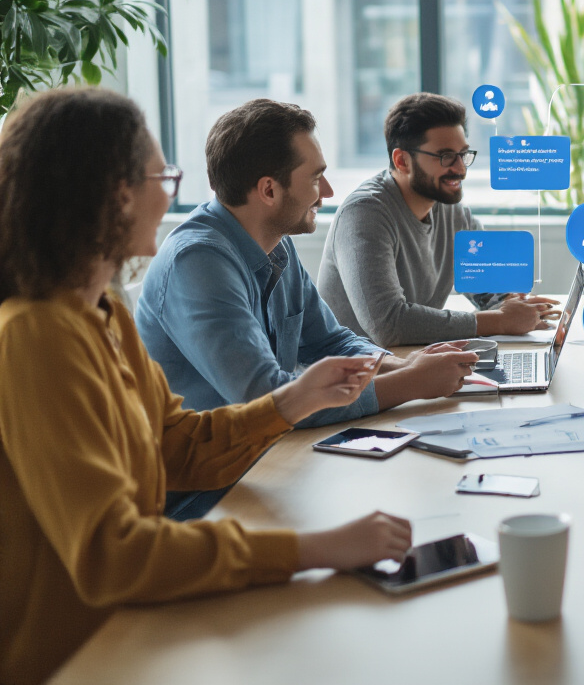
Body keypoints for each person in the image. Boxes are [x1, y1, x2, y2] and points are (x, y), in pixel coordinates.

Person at [0, 89, 413, 685]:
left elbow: (177, 444)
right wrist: (314, 550)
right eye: (161, 177)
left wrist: (295, 399)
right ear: (115, 193)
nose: (170, 194)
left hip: (135, 627)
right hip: (80, 658)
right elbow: (114, 556)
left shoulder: (103, 311)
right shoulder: (37, 337)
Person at [136, 99, 478, 519]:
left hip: (267, 464)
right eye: (316, 178)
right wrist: (412, 384)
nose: (329, 192)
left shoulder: (277, 245)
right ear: (268, 190)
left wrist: (406, 367)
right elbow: (268, 399)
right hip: (205, 497)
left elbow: (330, 340)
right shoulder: (198, 263)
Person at [318, 93, 557, 346]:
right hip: (356, 378)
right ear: (402, 161)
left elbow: (491, 289)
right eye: (445, 157)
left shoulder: (452, 212)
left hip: (410, 363)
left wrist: (519, 307)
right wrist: (498, 321)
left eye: (463, 155)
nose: (461, 169)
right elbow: (388, 325)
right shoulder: (365, 214)